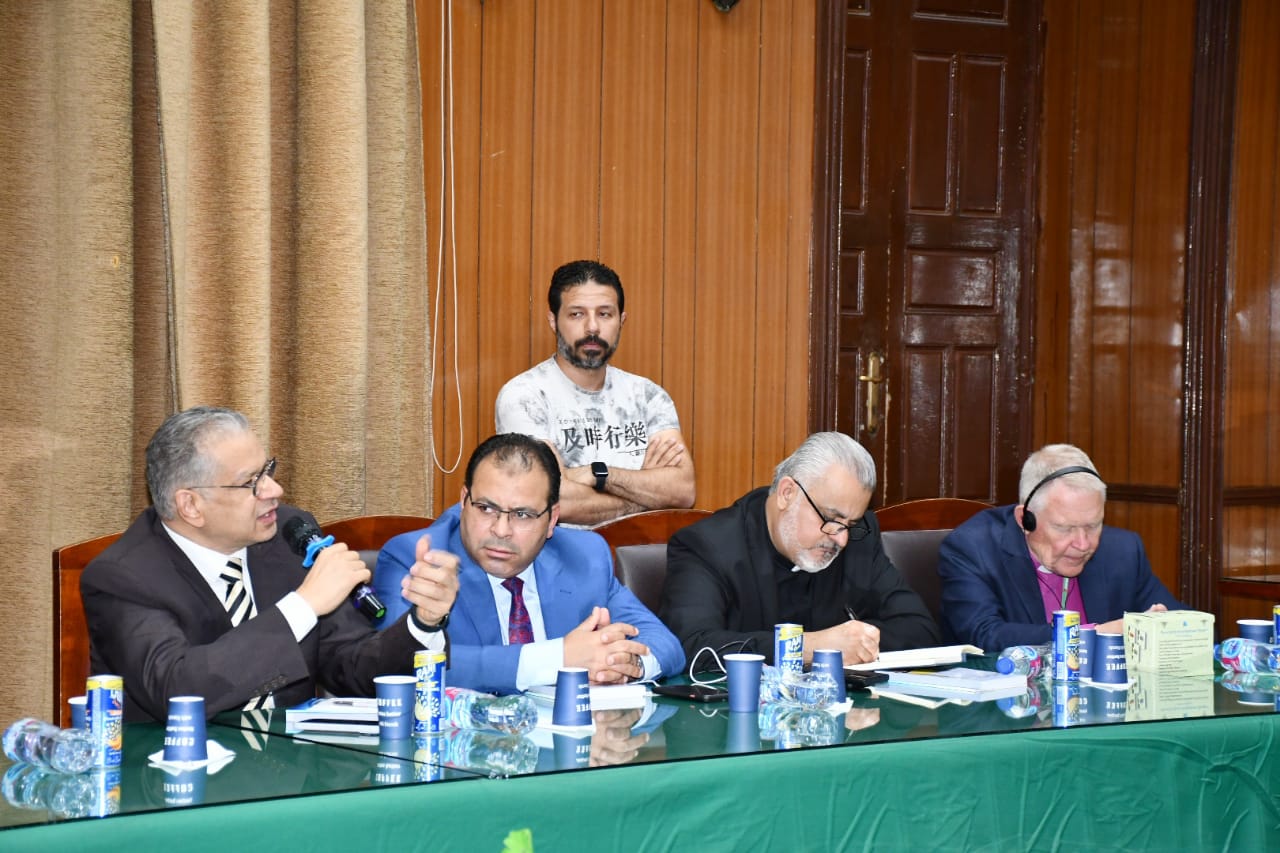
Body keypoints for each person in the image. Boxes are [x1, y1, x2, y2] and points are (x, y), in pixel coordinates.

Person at [81, 406, 459, 723]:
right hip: (177, 777)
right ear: (191, 505)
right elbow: (177, 692)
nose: (274, 490)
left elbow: (352, 670)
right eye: (252, 482)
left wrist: (423, 623)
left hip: (294, 771)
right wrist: (302, 607)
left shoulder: (288, 535)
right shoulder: (122, 577)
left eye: (268, 470)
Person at [374, 432, 685, 694]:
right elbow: (399, 664)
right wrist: (557, 659)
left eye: (522, 514)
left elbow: (665, 644)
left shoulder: (585, 556)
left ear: (552, 520)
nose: (501, 530)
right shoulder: (415, 558)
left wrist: (622, 665)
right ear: (464, 500)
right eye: (486, 508)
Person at [661, 432, 941, 668]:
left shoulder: (859, 539)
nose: (841, 539)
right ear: (787, 493)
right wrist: (808, 647)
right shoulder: (708, 546)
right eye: (831, 519)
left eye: (851, 524)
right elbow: (690, 646)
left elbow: (921, 631)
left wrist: (859, 643)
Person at [494, 259, 695, 525]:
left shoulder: (648, 396)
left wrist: (599, 474)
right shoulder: (524, 397)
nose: (592, 328)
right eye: (577, 314)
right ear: (553, 321)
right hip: (562, 549)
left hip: (644, 549)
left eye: (605, 314)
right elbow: (554, 500)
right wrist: (646, 496)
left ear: (621, 320)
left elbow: (683, 491)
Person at [937, 443, 1186, 651]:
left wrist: (1167, 626)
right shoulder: (973, 549)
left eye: (1093, 525)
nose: (1083, 544)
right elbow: (985, 635)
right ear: (1025, 520)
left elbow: (1185, 626)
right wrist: (1095, 635)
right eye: (1065, 528)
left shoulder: (1122, 550)